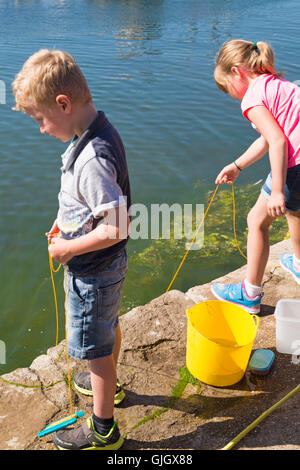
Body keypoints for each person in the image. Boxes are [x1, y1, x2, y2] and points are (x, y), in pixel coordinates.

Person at [12, 49, 131, 450]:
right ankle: (108, 388)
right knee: (107, 327)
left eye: (41, 120)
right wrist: (64, 223)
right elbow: (88, 203)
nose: (42, 129)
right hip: (106, 265)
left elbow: (117, 225)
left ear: (63, 104)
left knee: (95, 349)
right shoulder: (95, 132)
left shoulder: (93, 157)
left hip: (93, 270)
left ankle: (102, 430)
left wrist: (68, 247)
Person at [211, 39, 300, 314]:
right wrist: (238, 165)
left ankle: (250, 293)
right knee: (295, 212)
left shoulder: (251, 97)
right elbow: (270, 137)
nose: (232, 95)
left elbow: (277, 142)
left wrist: (276, 190)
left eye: (227, 88)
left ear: (237, 71)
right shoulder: (277, 85)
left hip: (296, 165)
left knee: (257, 221)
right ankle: (299, 262)